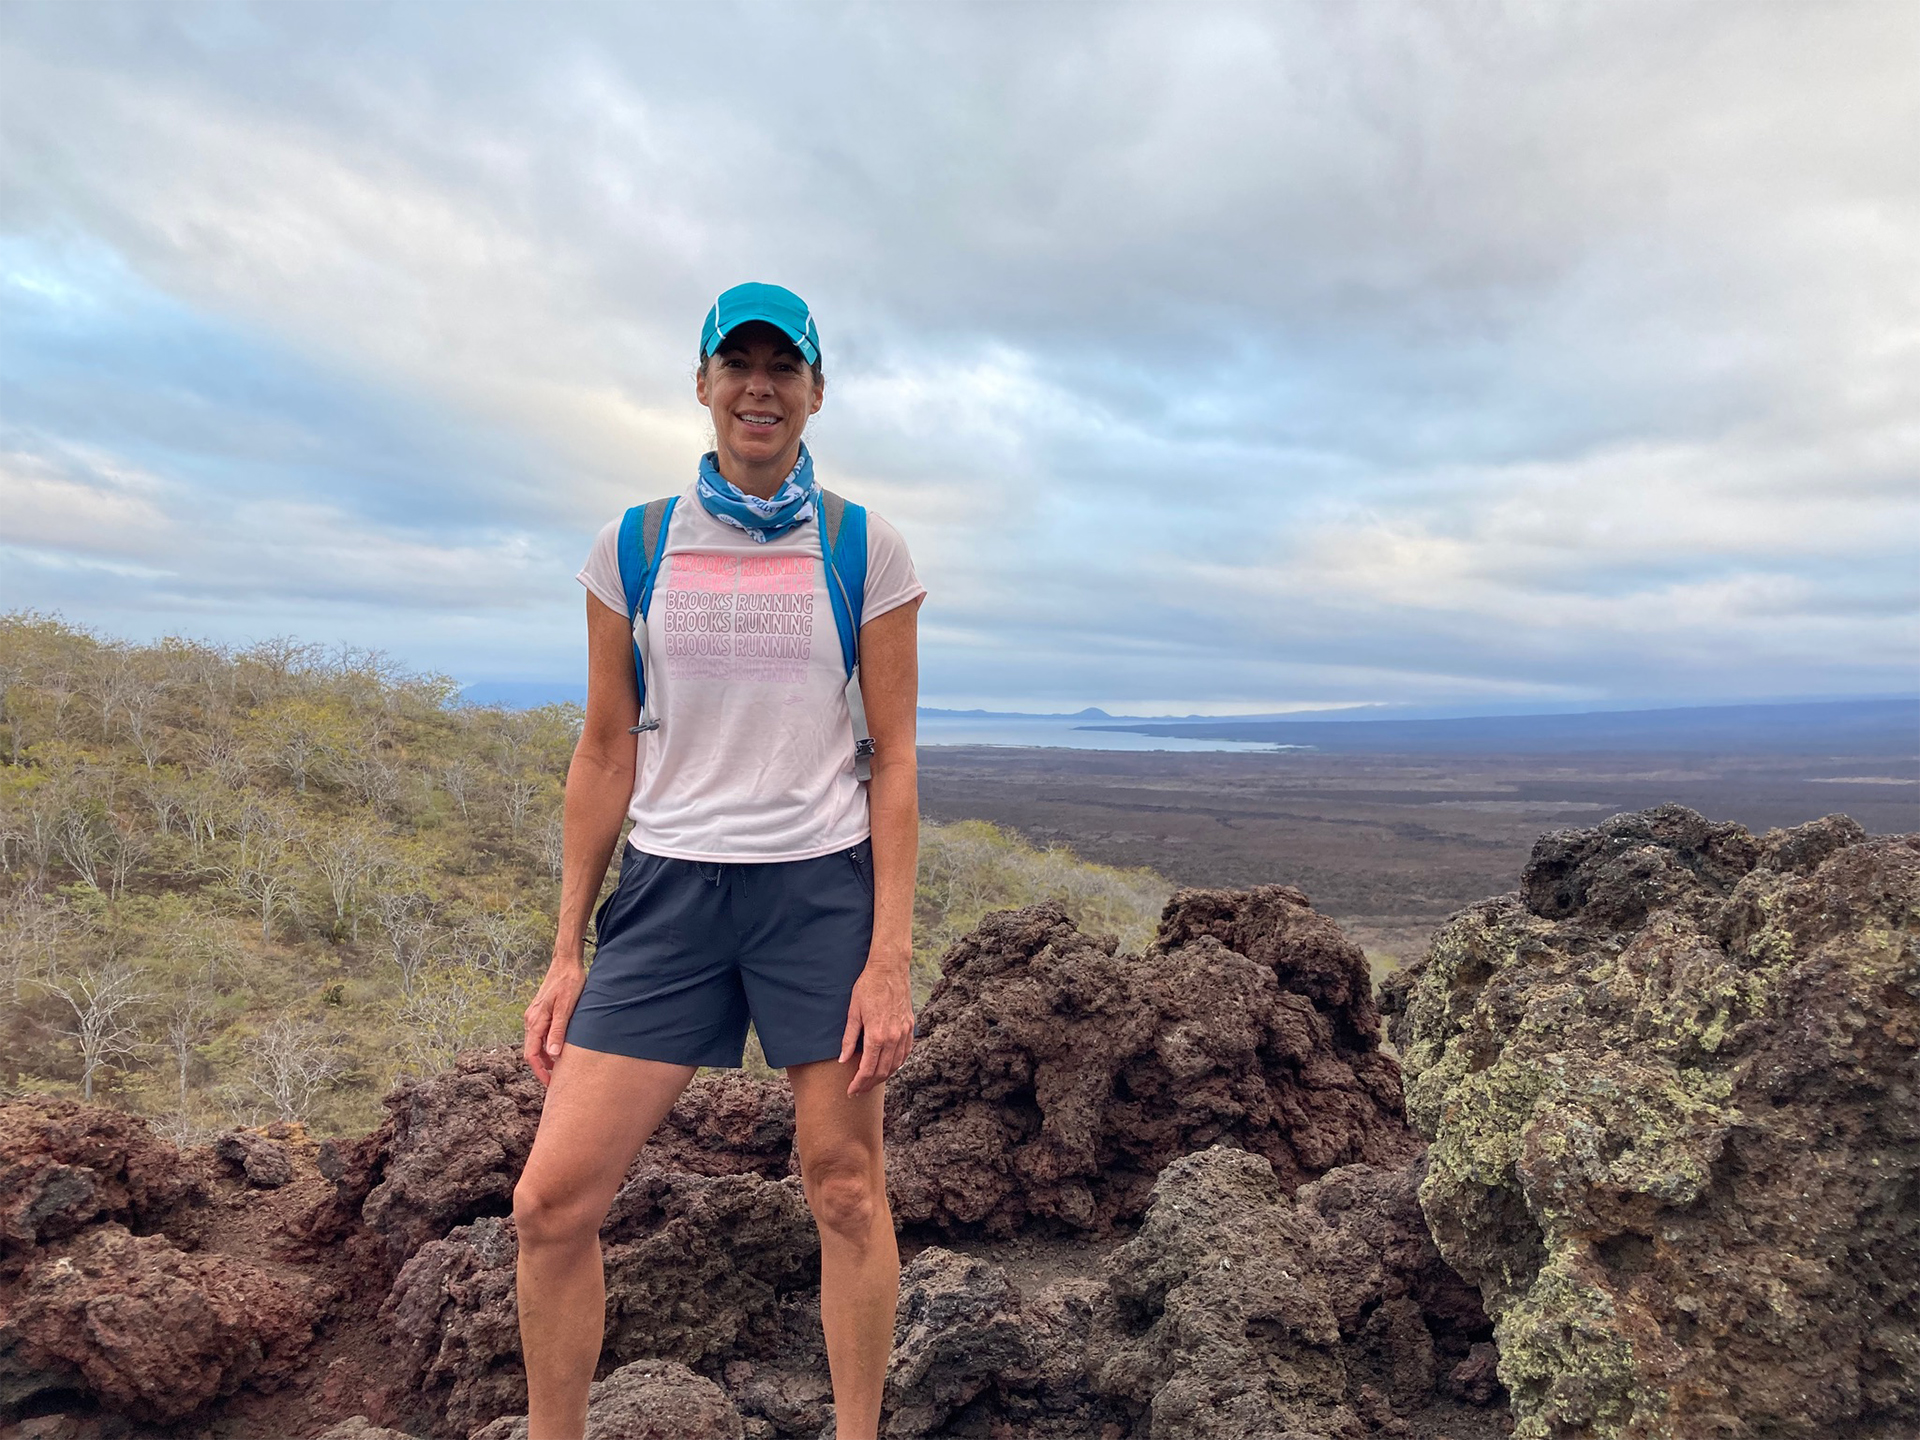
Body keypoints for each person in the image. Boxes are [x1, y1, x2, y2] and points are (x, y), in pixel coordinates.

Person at [512, 282, 926, 1440]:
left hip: (816, 891)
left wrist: (889, 958)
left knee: (845, 1190)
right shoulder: (636, 545)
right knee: (550, 1204)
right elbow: (605, 750)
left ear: (815, 392)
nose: (759, 387)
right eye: (737, 365)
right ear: (702, 383)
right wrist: (565, 951)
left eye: (782, 367)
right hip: (670, 894)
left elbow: (893, 760)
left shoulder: (862, 545)